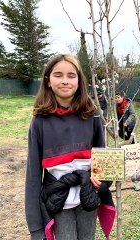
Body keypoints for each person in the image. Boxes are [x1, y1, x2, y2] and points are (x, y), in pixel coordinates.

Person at [25, 54, 115, 240]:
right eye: (58, 75)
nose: (65, 81)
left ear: (79, 81)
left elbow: (104, 159)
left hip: (87, 196)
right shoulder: (39, 122)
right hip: (58, 199)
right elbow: (33, 176)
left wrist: (103, 183)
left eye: (71, 75)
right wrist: (35, 227)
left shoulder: (93, 115)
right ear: (48, 80)